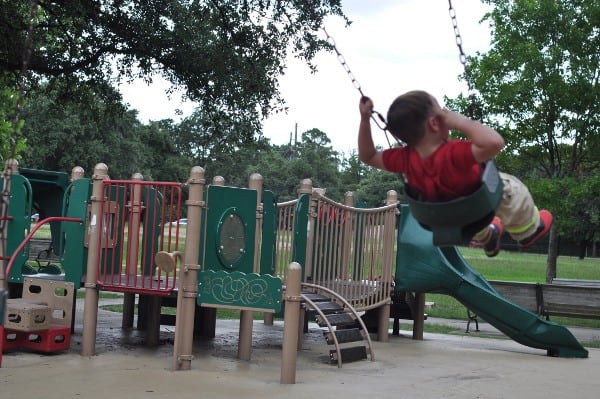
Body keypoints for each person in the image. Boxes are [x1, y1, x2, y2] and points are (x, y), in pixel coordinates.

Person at [358, 90, 552, 257]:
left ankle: (487, 236)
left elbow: (368, 156)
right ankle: (527, 230)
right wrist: (460, 121)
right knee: (510, 186)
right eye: (442, 112)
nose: (446, 114)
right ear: (435, 123)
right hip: (477, 207)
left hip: (443, 220)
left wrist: (365, 119)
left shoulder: (404, 158)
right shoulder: (454, 153)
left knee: (467, 211)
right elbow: (494, 143)